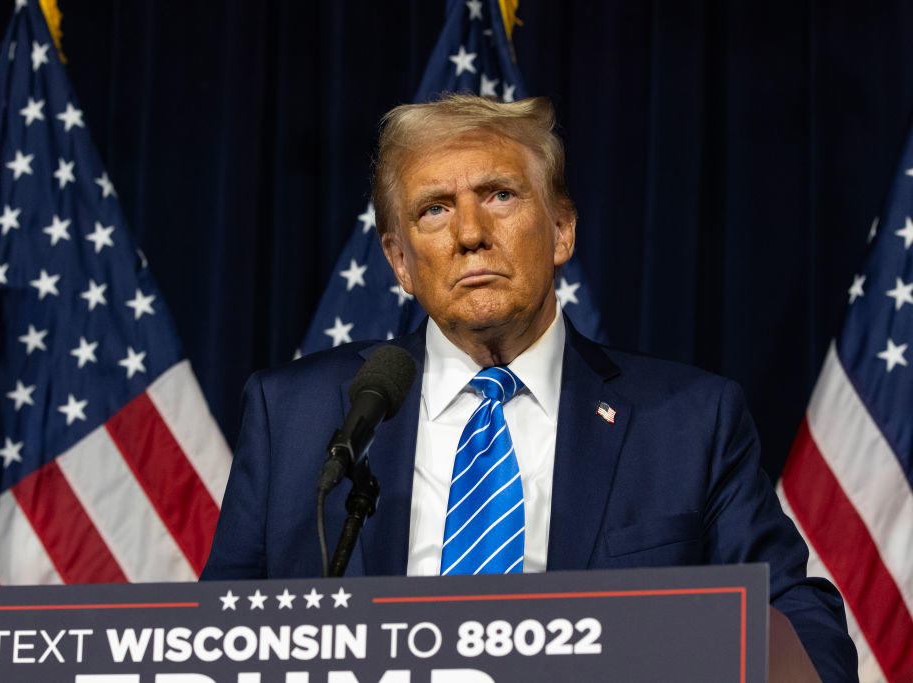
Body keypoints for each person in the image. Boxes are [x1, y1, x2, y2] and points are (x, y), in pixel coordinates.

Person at [202, 94, 856, 680]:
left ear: (562, 230)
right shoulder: (296, 414)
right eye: (434, 209)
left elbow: (800, 621)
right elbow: (210, 643)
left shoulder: (688, 421)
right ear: (400, 260)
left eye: (500, 195)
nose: (470, 234)